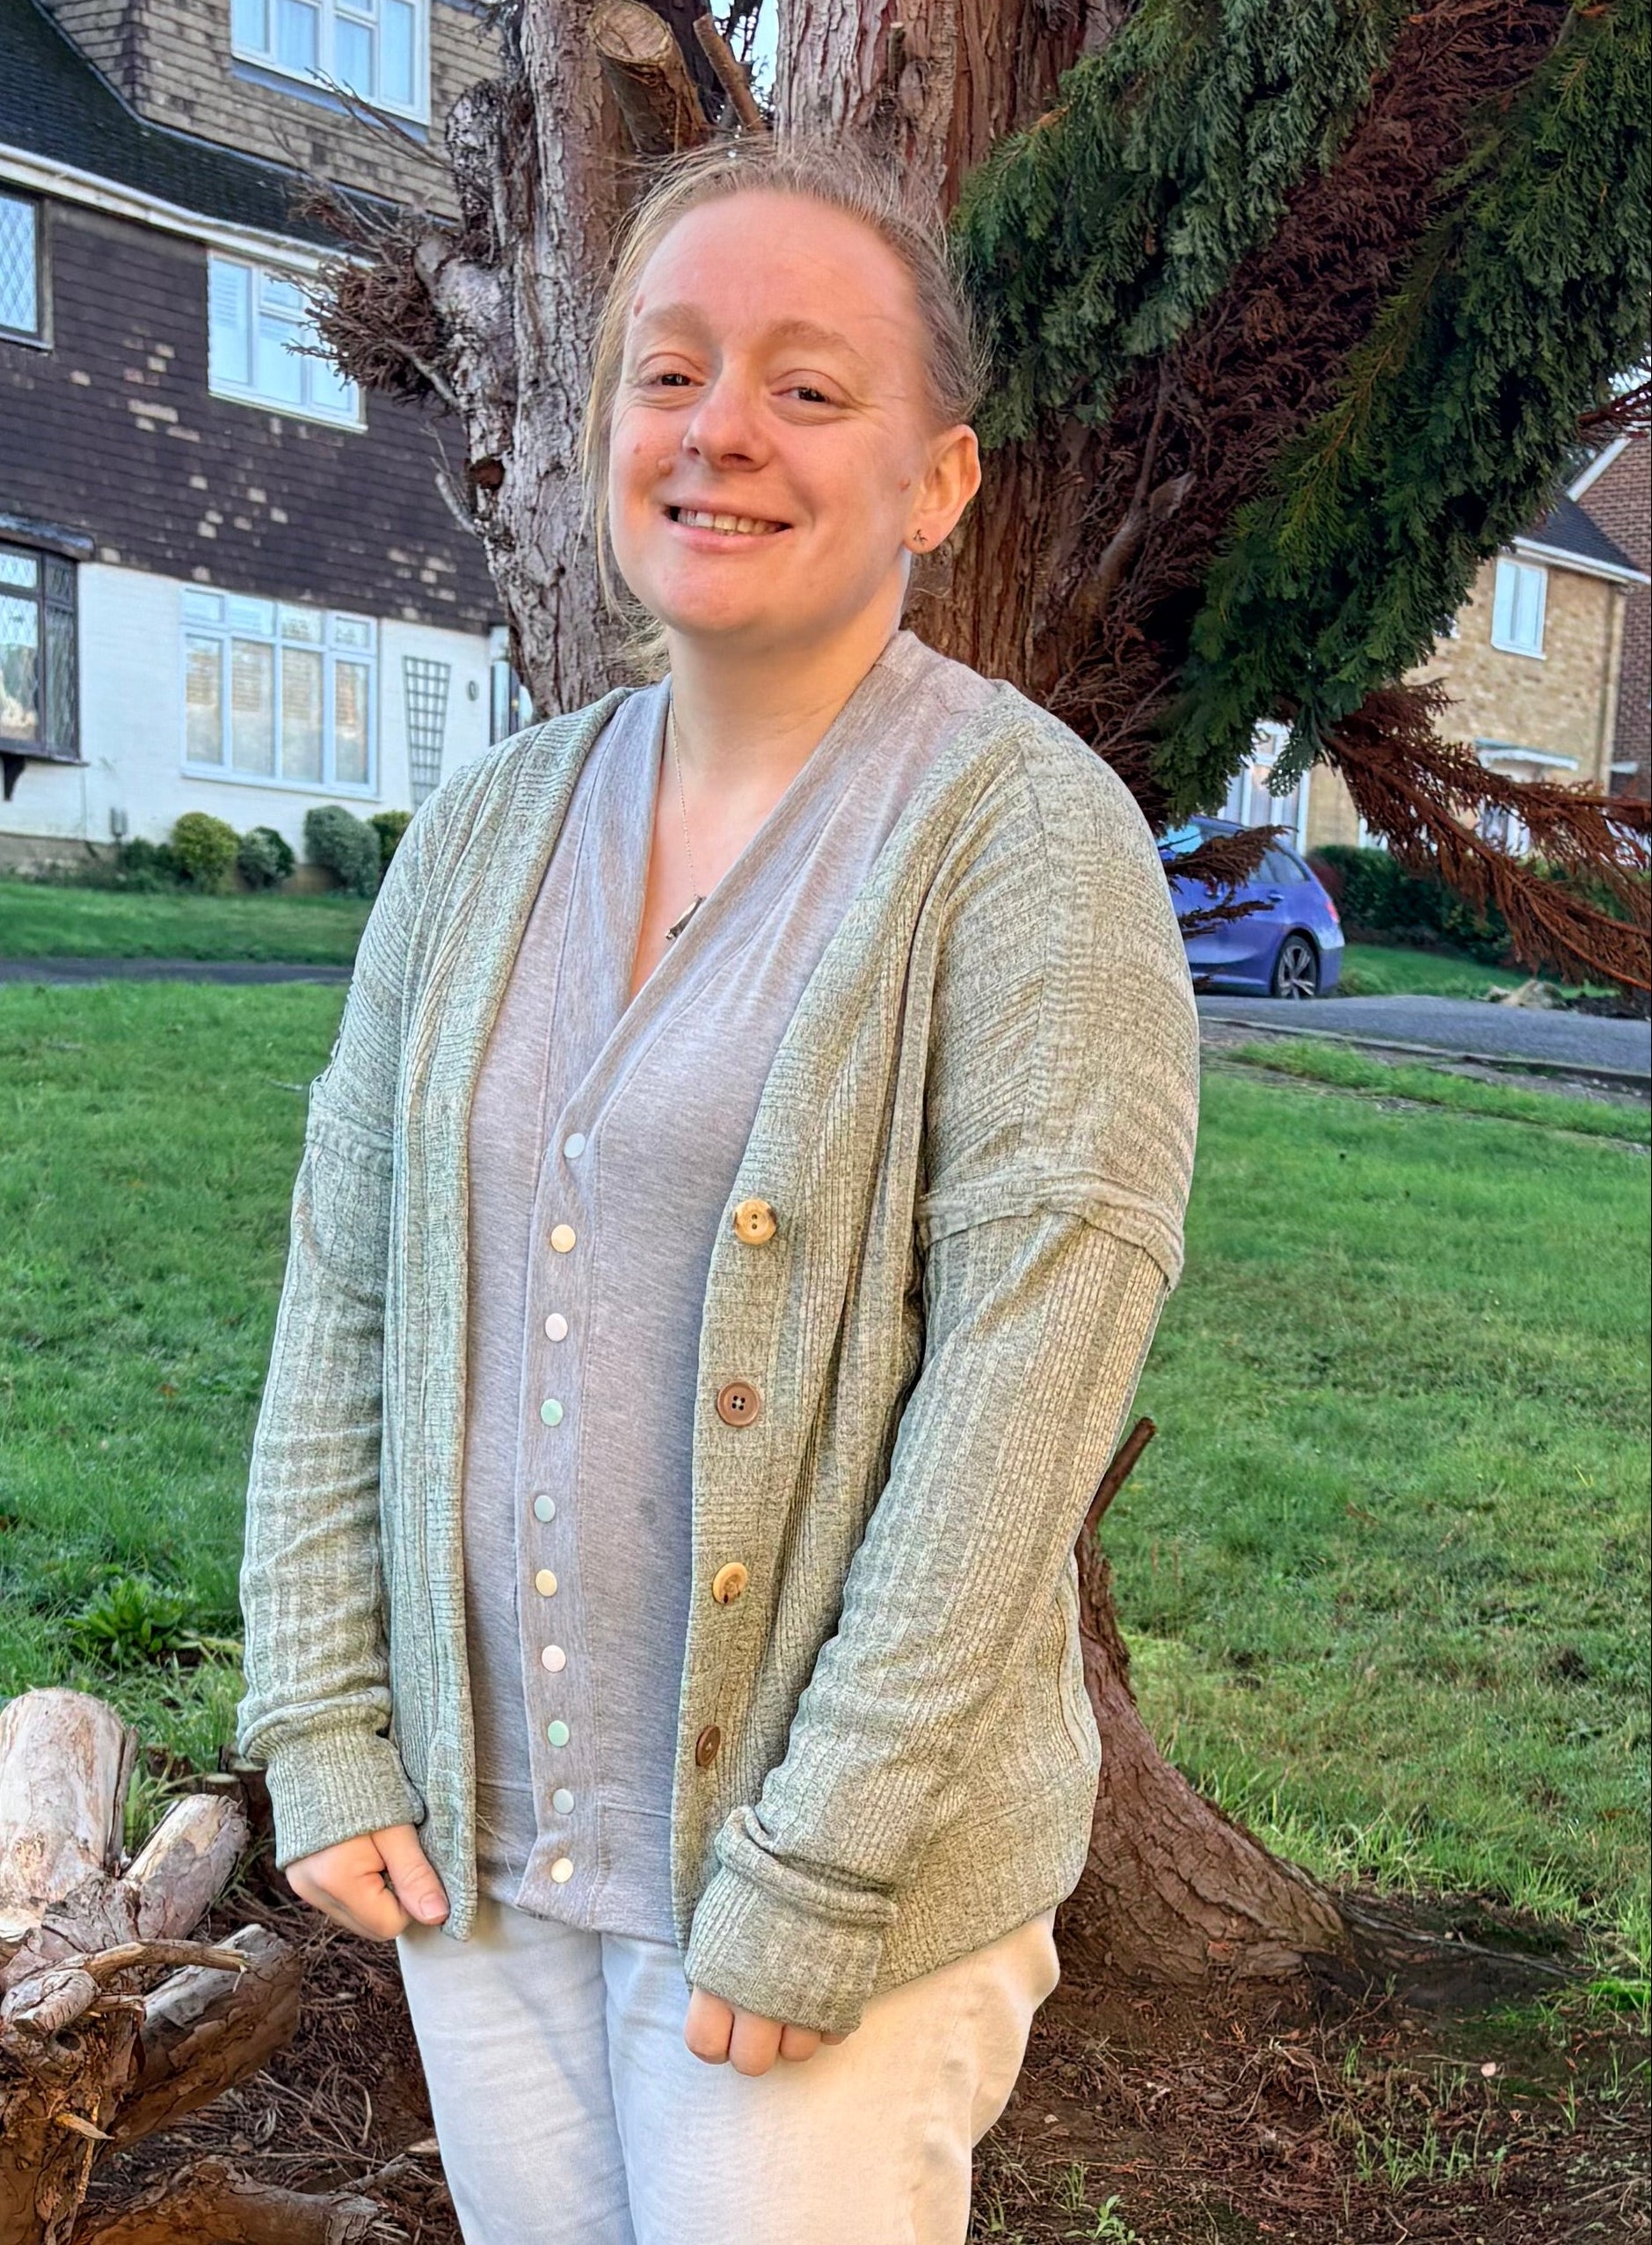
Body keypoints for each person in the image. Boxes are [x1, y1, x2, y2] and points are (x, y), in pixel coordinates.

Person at [237, 135, 1198, 2245]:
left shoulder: (1024, 842)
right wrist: (321, 1714)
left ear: (938, 480)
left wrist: (824, 1858)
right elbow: (348, 1298)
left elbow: (1025, 1394)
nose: (719, 433)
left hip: (814, 1888)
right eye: (667, 374)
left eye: (805, 385)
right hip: (478, 1844)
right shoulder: (482, 831)